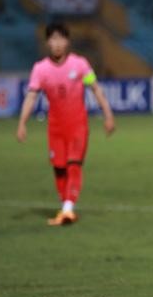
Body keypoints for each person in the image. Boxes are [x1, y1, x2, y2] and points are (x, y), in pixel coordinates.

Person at [16, 22, 115, 225]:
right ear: (47, 43)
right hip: (55, 128)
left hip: (78, 125)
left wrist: (108, 115)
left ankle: (68, 207)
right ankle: (66, 208)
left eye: (61, 38)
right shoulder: (40, 69)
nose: (57, 43)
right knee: (59, 168)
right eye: (53, 39)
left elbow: (96, 89)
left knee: (73, 165)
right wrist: (22, 122)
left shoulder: (80, 64)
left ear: (68, 41)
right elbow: (31, 97)